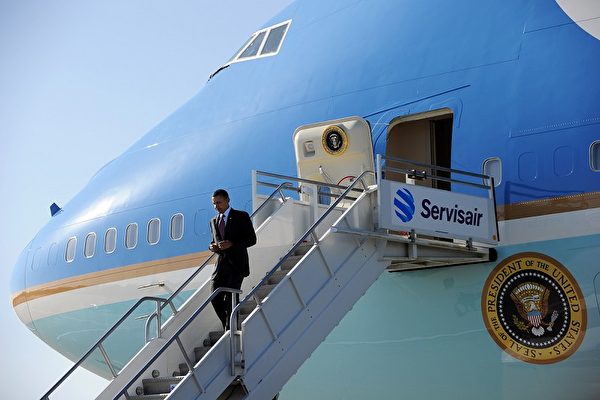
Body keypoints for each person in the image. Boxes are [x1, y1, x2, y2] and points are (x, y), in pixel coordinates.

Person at [208, 188, 257, 330]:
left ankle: (230, 329)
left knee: (231, 298)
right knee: (214, 296)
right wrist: (212, 247)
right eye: (214, 203)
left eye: (219, 202)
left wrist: (232, 244)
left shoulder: (241, 216)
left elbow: (252, 239)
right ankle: (227, 324)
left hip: (237, 266)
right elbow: (214, 240)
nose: (216, 206)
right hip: (221, 266)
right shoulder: (213, 221)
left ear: (228, 200)